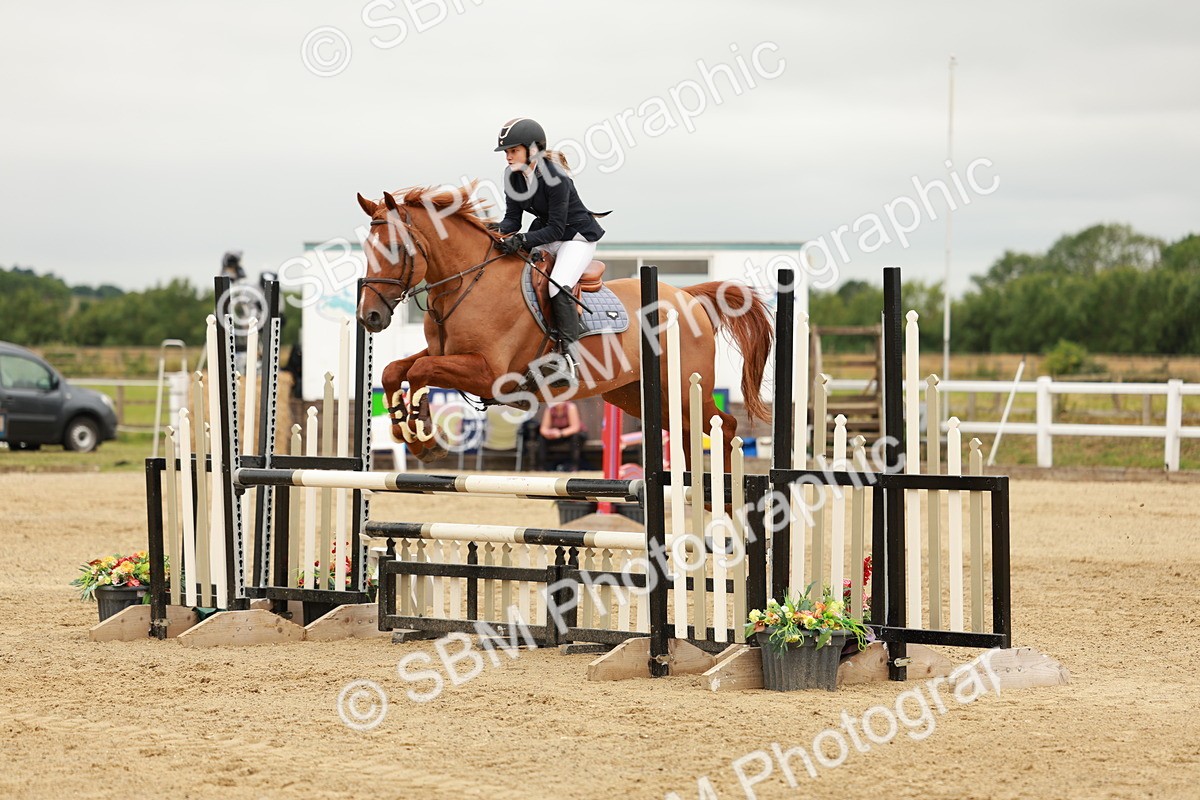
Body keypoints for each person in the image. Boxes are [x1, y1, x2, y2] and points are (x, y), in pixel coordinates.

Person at [492, 118, 608, 387]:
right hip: (546, 235)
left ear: (532, 150)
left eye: (513, 150)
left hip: (576, 238)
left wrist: (522, 240)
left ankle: (569, 359)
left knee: (557, 286)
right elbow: (512, 221)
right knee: (515, 273)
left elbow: (556, 229)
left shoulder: (555, 177)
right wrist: (491, 231)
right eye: (507, 152)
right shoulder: (513, 176)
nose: (508, 157)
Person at [537, 401, 587, 472]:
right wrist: (550, 433)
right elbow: (543, 429)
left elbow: (575, 428)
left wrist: (560, 433)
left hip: (573, 434)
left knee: (575, 438)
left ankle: (574, 466)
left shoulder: (571, 407)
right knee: (541, 438)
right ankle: (542, 467)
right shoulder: (550, 409)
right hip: (558, 435)